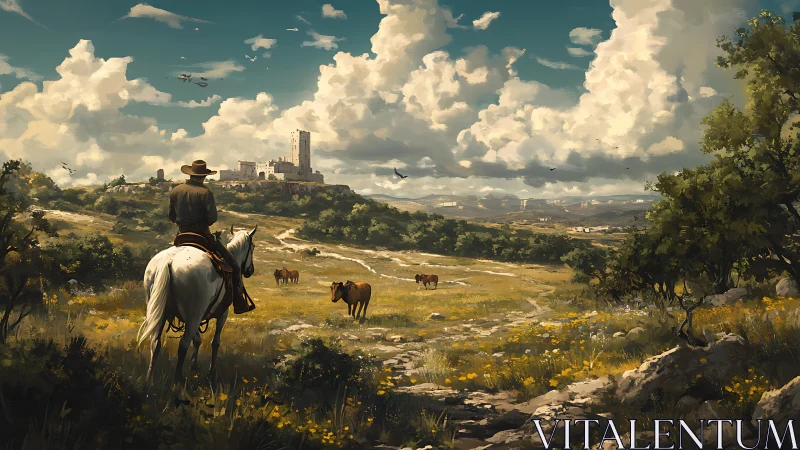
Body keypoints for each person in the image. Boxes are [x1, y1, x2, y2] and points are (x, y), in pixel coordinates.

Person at [168, 160, 255, 314]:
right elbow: (211, 219)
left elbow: (171, 216)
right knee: (234, 267)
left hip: (181, 235)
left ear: (190, 174)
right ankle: (239, 304)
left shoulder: (175, 191)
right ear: (203, 177)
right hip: (203, 236)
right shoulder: (206, 193)